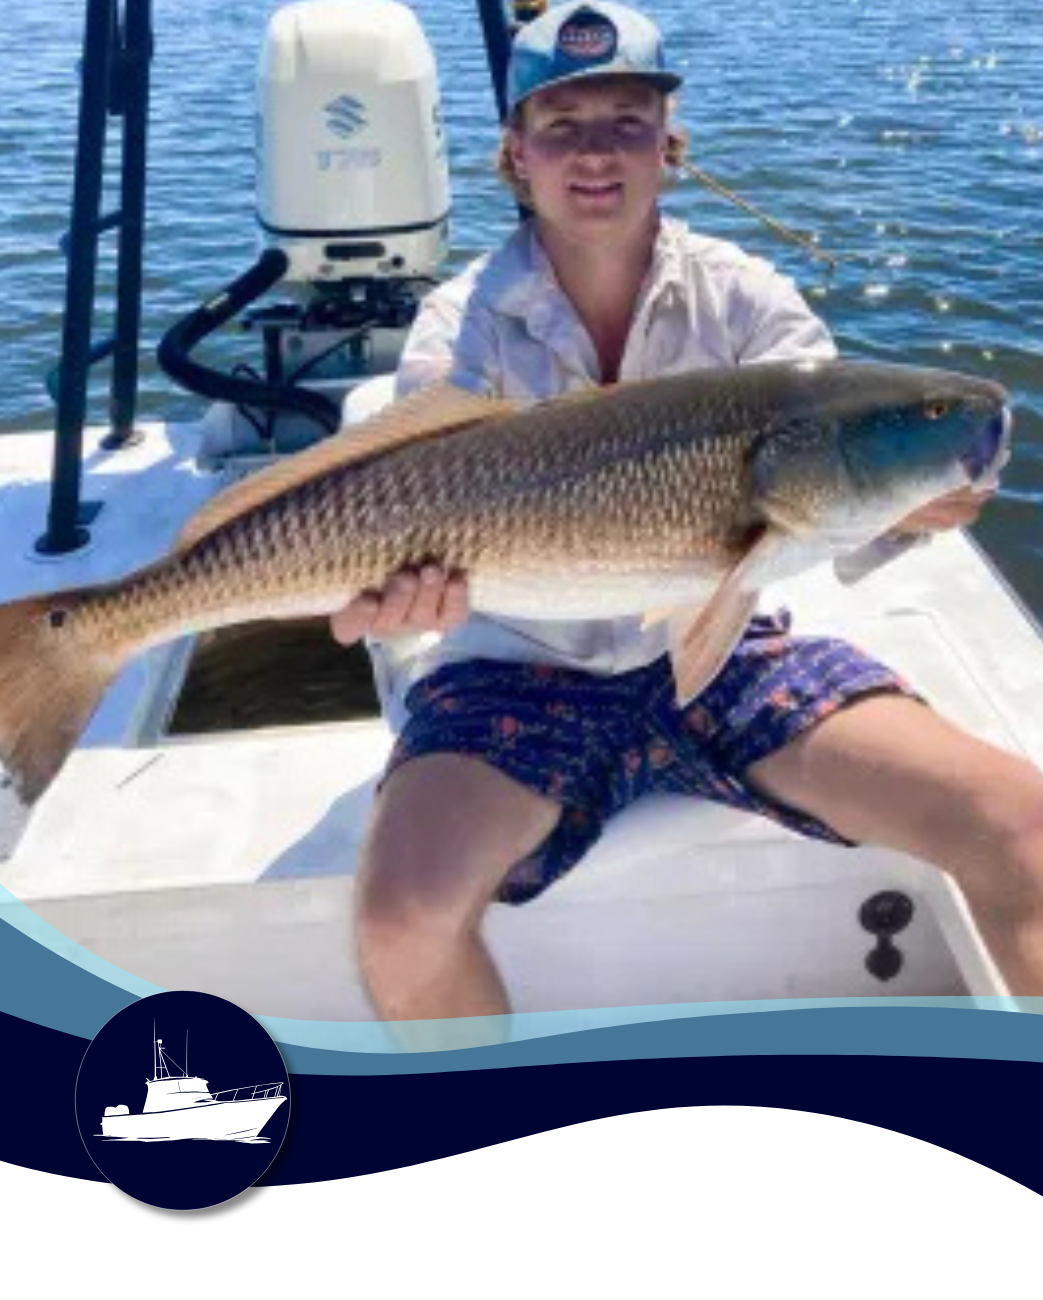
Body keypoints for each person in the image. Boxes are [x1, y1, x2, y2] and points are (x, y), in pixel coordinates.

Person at [330, 1, 1043, 1046]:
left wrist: (921, 504)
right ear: (515, 155)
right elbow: (407, 517)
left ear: (671, 145)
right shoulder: (462, 321)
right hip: (518, 666)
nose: (594, 153)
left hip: (729, 650)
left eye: (625, 120)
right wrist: (395, 604)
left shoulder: (750, 303)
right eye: (561, 124)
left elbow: (830, 493)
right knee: (401, 918)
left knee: (1023, 826)